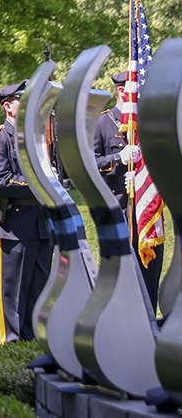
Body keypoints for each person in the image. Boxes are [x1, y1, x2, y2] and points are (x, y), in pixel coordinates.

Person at [0, 80, 53, 344]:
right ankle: (9, 344)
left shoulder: (35, 138)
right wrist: (40, 184)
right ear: (9, 106)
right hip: (13, 224)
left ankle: (32, 342)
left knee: (38, 290)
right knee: (13, 293)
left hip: (41, 224)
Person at [93, 70, 163, 311]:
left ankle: (149, 319)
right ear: (123, 91)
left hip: (147, 208)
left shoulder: (149, 123)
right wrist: (117, 160)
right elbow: (91, 164)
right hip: (119, 207)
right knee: (123, 271)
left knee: (150, 270)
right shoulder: (103, 122)